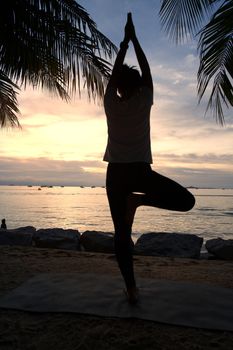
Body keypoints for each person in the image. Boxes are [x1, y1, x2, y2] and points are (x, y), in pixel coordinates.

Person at [103, 13, 195, 304]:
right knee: (186, 201)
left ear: (117, 87)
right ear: (139, 86)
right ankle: (140, 200)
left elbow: (116, 75)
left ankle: (131, 288)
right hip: (141, 173)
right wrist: (135, 39)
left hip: (116, 174)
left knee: (121, 234)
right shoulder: (145, 100)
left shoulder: (109, 103)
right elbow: (147, 71)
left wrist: (122, 46)